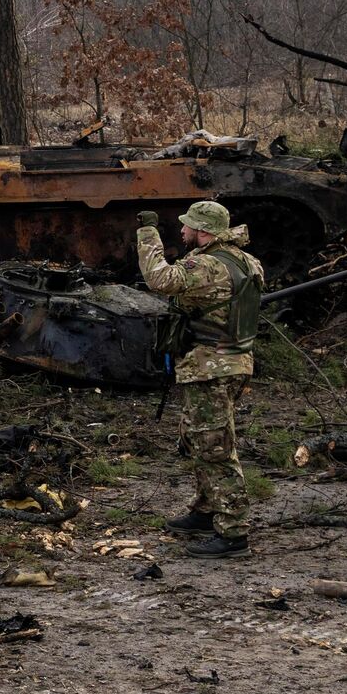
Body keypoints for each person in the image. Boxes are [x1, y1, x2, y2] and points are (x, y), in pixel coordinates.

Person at [138, 200, 264, 560]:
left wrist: (147, 233)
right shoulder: (246, 262)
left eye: (188, 226)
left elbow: (159, 279)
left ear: (204, 231)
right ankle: (207, 511)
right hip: (230, 363)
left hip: (212, 366)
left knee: (214, 448)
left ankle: (234, 532)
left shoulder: (207, 265)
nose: (182, 231)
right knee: (199, 439)